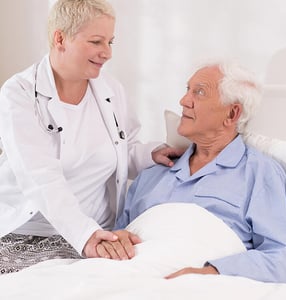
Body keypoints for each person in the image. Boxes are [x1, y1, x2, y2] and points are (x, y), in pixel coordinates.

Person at [0, 0, 182, 274]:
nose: (107, 53)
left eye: (111, 42)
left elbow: (123, 149)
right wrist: (85, 236)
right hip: (28, 232)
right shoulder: (19, 93)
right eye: (96, 42)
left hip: (96, 231)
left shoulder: (111, 90)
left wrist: (147, 155)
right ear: (60, 38)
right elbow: (40, 177)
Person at [108, 61, 286, 284]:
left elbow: (283, 261)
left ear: (232, 113)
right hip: (128, 278)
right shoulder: (153, 174)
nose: (183, 101)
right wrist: (115, 240)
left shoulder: (260, 174)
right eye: (187, 90)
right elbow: (117, 236)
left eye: (199, 92)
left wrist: (209, 274)